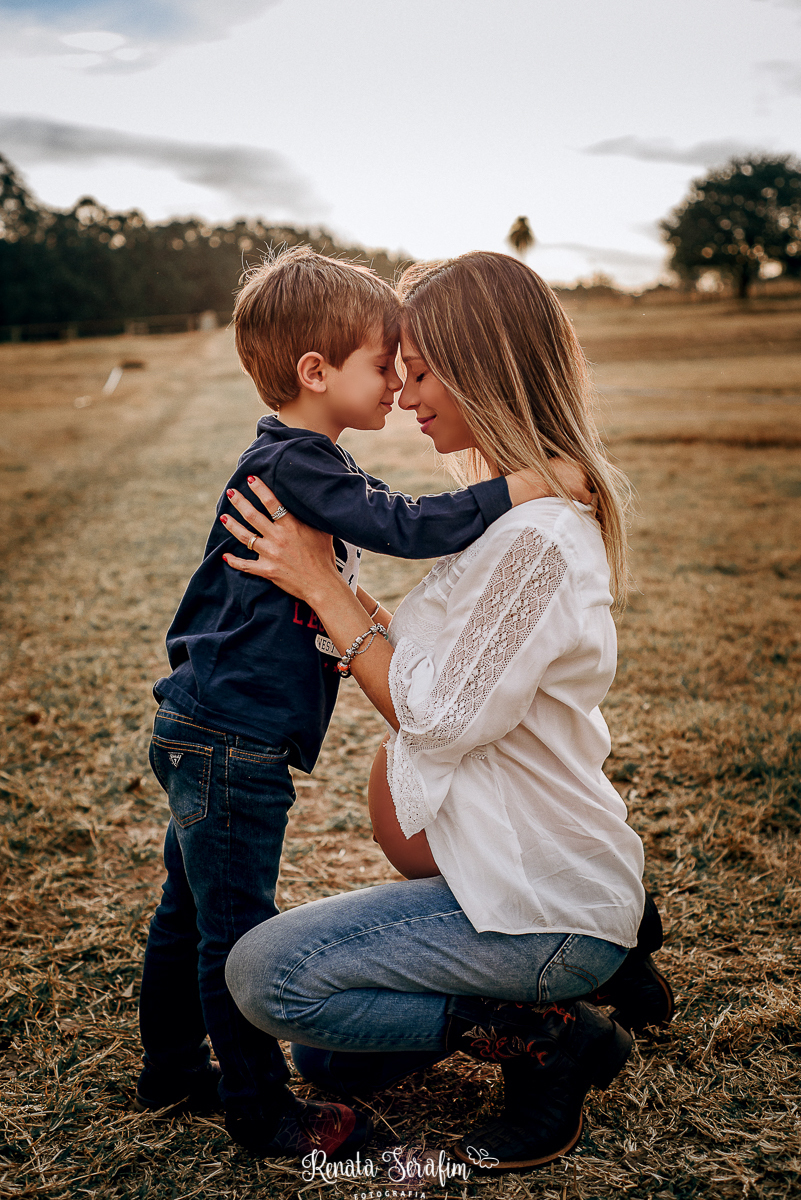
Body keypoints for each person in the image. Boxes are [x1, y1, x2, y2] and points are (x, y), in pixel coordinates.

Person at [220, 251, 674, 1172]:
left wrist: (325, 589)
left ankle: (555, 1035)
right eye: (395, 368)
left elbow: (434, 719)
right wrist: (333, 601)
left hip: (538, 901)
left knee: (265, 978)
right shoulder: (503, 524)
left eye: (418, 370)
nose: (404, 393)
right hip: (489, 876)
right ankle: (590, 977)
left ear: (483, 368)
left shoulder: (538, 539)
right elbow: (450, 667)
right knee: (329, 1057)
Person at [136, 247, 587, 1162]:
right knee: (229, 927)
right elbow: (406, 526)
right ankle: (261, 1112)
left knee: (186, 911)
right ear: (316, 372)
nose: (398, 382)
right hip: (232, 738)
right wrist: (523, 486)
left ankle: (172, 1069)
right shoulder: (298, 464)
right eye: (385, 363)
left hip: (211, 728)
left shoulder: (303, 458)